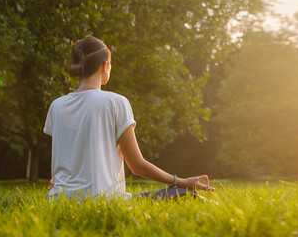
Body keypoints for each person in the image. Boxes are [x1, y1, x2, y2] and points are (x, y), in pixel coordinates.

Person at [44, 36, 214, 201]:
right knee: (182, 193)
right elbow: (137, 166)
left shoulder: (56, 106)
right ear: (105, 66)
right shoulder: (116, 102)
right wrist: (181, 182)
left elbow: (64, 159)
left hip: (59, 200)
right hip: (103, 201)